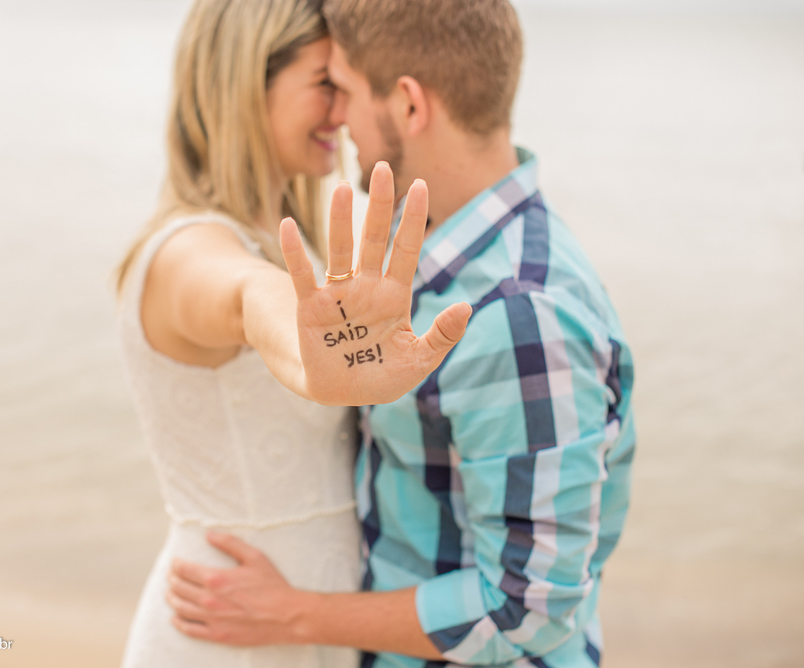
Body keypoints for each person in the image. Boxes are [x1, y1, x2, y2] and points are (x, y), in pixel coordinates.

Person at [166, 1, 636, 667]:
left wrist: (295, 614)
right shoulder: (454, 266)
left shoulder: (516, 310)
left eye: (347, 91)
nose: (341, 119)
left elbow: (528, 612)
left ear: (410, 106)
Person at [114, 0, 471, 666]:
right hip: (222, 632)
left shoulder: (291, 244)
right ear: (248, 81)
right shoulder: (185, 251)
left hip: (307, 631)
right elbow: (253, 300)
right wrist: (317, 361)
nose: (343, 112)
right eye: (323, 84)